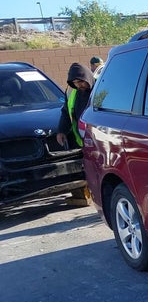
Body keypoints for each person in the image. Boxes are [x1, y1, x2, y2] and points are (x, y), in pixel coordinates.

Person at [58, 62, 95, 206]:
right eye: (75, 83)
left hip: (98, 138)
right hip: (83, 141)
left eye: (81, 82)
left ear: (87, 78)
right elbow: (66, 112)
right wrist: (61, 131)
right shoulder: (72, 93)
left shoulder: (99, 89)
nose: (79, 85)